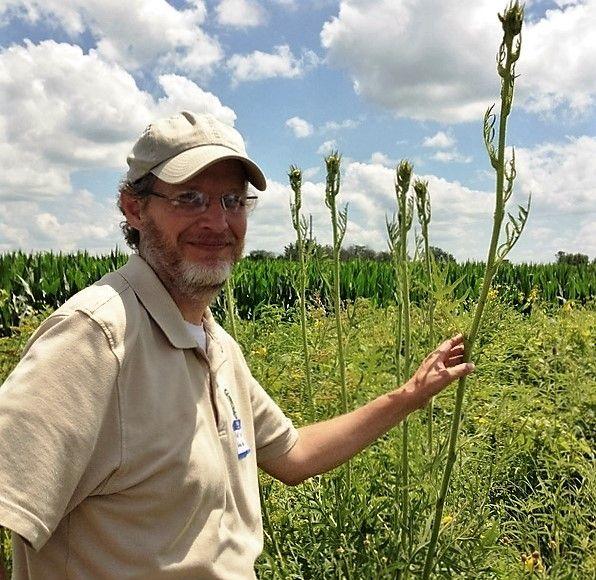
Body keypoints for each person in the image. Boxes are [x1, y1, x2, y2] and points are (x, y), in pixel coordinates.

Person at [0, 111, 474, 579]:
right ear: (133, 208)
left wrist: (410, 395)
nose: (217, 221)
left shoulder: (216, 345)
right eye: (189, 199)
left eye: (232, 200)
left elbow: (294, 456)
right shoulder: (96, 339)